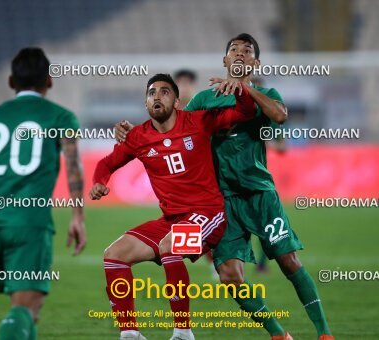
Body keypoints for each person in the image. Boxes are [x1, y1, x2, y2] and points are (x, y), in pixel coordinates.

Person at [115, 34, 333, 340]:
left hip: (260, 195)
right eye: (234, 50)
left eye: (247, 51)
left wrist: (245, 89)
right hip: (220, 202)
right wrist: (132, 133)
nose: (240, 53)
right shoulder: (204, 100)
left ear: (255, 63)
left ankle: (324, 333)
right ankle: (278, 334)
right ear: (225, 61)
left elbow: (280, 116)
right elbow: (171, 128)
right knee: (229, 275)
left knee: (288, 261)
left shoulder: (266, 93)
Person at [90, 73, 255, 340]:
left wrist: (241, 90)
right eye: (151, 92)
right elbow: (106, 164)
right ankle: (129, 333)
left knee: (170, 245)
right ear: (145, 103)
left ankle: (183, 331)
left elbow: (245, 112)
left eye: (165, 92)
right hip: (171, 219)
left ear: (177, 101)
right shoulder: (138, 137)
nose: (157, 96)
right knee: (114, 254)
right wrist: (99, 181)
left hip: (208, 213)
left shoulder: (199, 122)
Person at [0, 47, 86, 340]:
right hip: (29, 224)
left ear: (11, 82)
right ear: (50, 81)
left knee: (24, 309)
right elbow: (73, 166)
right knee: (26, 307)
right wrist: (77, 215)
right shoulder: (60, 117)